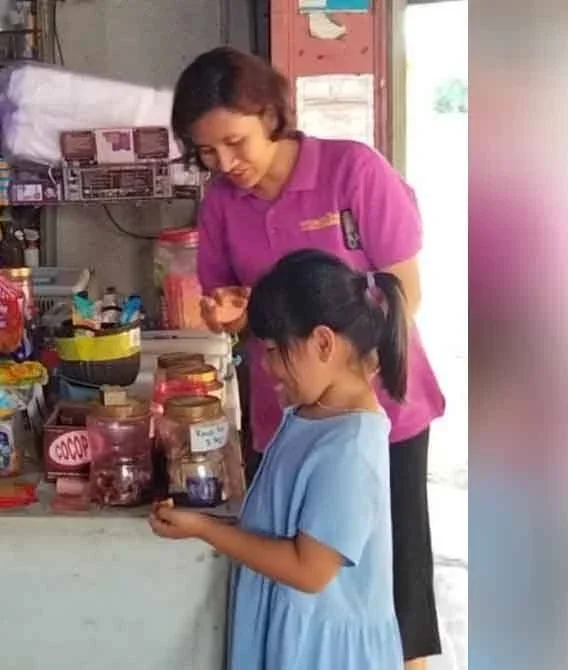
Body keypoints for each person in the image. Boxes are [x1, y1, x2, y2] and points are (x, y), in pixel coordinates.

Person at [171, 47, 446, 668]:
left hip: (376, 409)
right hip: (287, 414)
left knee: (394, 584)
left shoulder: (352, 171)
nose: (225, 164)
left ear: (271, 115)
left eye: (235, 143)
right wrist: (228, 316)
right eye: (207, 153)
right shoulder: (221, 203)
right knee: (296, 567)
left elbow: (406, 294)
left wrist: (348, 386)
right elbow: (231, 303)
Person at [150, 249, 407, 669]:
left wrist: (204, 529)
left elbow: (310, 570)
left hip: (323, 652)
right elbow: (281, 522)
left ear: (323, 342)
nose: (268, 367)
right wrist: (214, 522)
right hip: (292, 631)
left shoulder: (351, 447)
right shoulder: (312, 414)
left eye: (274, 350)